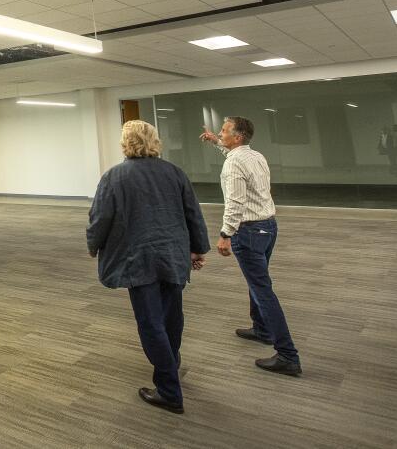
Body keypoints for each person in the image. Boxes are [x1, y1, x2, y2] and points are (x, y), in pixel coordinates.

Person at [87, 120, 209, 414]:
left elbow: (100, 218)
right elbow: (193, 212)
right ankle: (172, 362)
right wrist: (197, 247)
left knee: (151, 323)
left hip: (138, 260)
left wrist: (94, 245)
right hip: (172, 256)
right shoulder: (174, 172)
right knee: (172, 317)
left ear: (125, 142)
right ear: (155, 141)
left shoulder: (114, 177)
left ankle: (168, 390)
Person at [200, 117, 302, 376]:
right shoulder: (255, 156)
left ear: (238, 137)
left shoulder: (234, 163)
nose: (219, 134)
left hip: (248, 231)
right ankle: (261, 329)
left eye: (223, 131)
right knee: (256, 281)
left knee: (262, 289)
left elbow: (235, 202)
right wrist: (215, 143)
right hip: (268, 227)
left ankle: (288, 355)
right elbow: (233, 157)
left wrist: (225, 234)